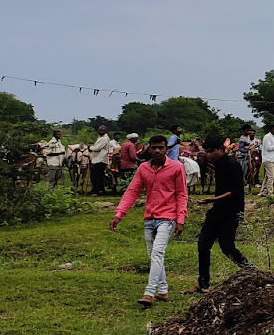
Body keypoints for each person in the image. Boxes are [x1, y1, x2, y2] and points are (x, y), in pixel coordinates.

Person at [109, 135, 187, 308]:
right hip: (150, 218)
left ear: (166, 149)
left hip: (168, 217)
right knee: (153, 255)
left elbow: (182, 194)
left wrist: (180, 219)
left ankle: (149, 292)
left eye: (161, 147)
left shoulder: (177, 168)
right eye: (154, 148)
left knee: (158, 253)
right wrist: (119, 214)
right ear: (148, 149)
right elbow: (132, 191)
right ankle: (163, 289)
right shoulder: (143, 168)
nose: (157, 151)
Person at [184, 136, 251, 294]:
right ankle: (203, 284)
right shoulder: (218, 164)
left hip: (230, 211)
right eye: (206, 151)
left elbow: (236, 190)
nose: (209, 154)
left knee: (227, 247)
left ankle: (253, 272)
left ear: (222, 149)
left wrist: (212, 199)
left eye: (212, 151)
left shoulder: (232, 165)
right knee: (203, 244)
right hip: (217, 210)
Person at [87, 125, 114, 195]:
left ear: (105, 131)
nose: (100, 131)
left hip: (100, 159)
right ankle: (101, 190)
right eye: (99, 130)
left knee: (96, 176)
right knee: (99, 176)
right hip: (99, 158)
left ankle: (96, 191)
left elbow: (97, 148)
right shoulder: (101, 138)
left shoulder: (104, 139)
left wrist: (90, 147)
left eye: (102, 130)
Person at [258, 127, 274, 197]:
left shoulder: (273, 137)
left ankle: (262, 191)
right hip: (268, 159)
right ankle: (270, 192)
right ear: (270, 130)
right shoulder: (267, 137)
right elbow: (268, 148)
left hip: (272, 159)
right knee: (271, 176)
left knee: (267, 176)